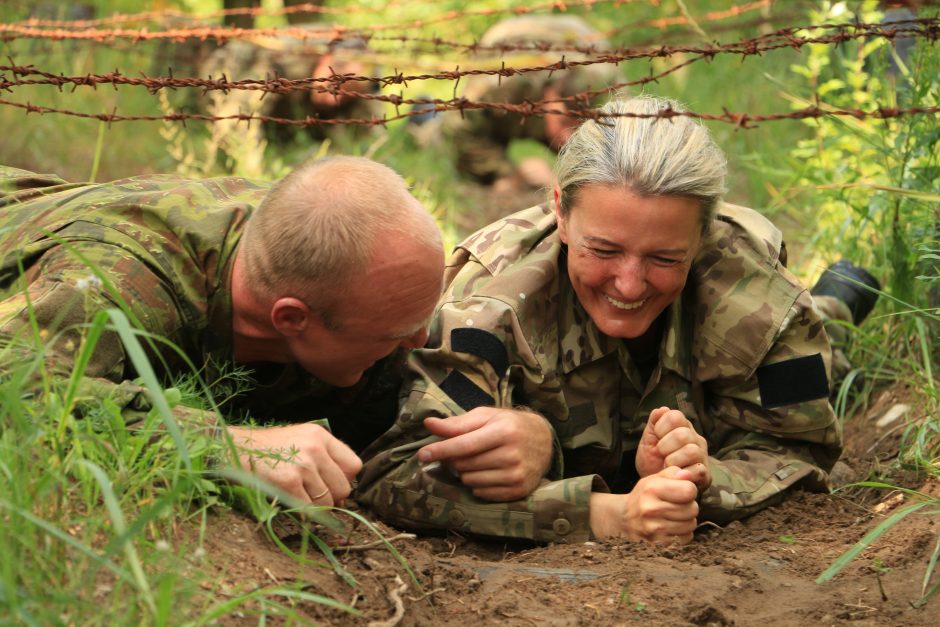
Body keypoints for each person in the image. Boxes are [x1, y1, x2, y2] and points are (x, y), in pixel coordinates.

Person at [355, 95, 868, 544]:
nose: (628, 284)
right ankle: (837, 305)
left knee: (823, 348)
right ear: (560, 211)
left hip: (763, 340)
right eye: (603, 250)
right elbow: (400, 470)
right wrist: (598, 508)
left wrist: (703, 480)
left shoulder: (766, 306)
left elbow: (798, 445)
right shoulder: (487, 307)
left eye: (665, 259)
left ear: (704, 235)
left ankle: (833, 310)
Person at [0, 156, 549, 509]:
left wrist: (534, 434)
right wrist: (229, 447)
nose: (417, 343)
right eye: (394, 334)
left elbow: (420, 441)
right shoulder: (114, 279)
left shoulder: (331, 256)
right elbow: (21, 399)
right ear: (290, 319)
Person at [445, 15, 621, 190]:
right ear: (550, 96)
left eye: (580, 127)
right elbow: (461, 127)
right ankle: (427, 114)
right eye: (564, 122)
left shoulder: (607, 90)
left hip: (578, 41)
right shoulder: (503, 85)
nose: (569, 137)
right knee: (443, 145)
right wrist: (505, 174)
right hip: (508, 46)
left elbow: (620, 153)